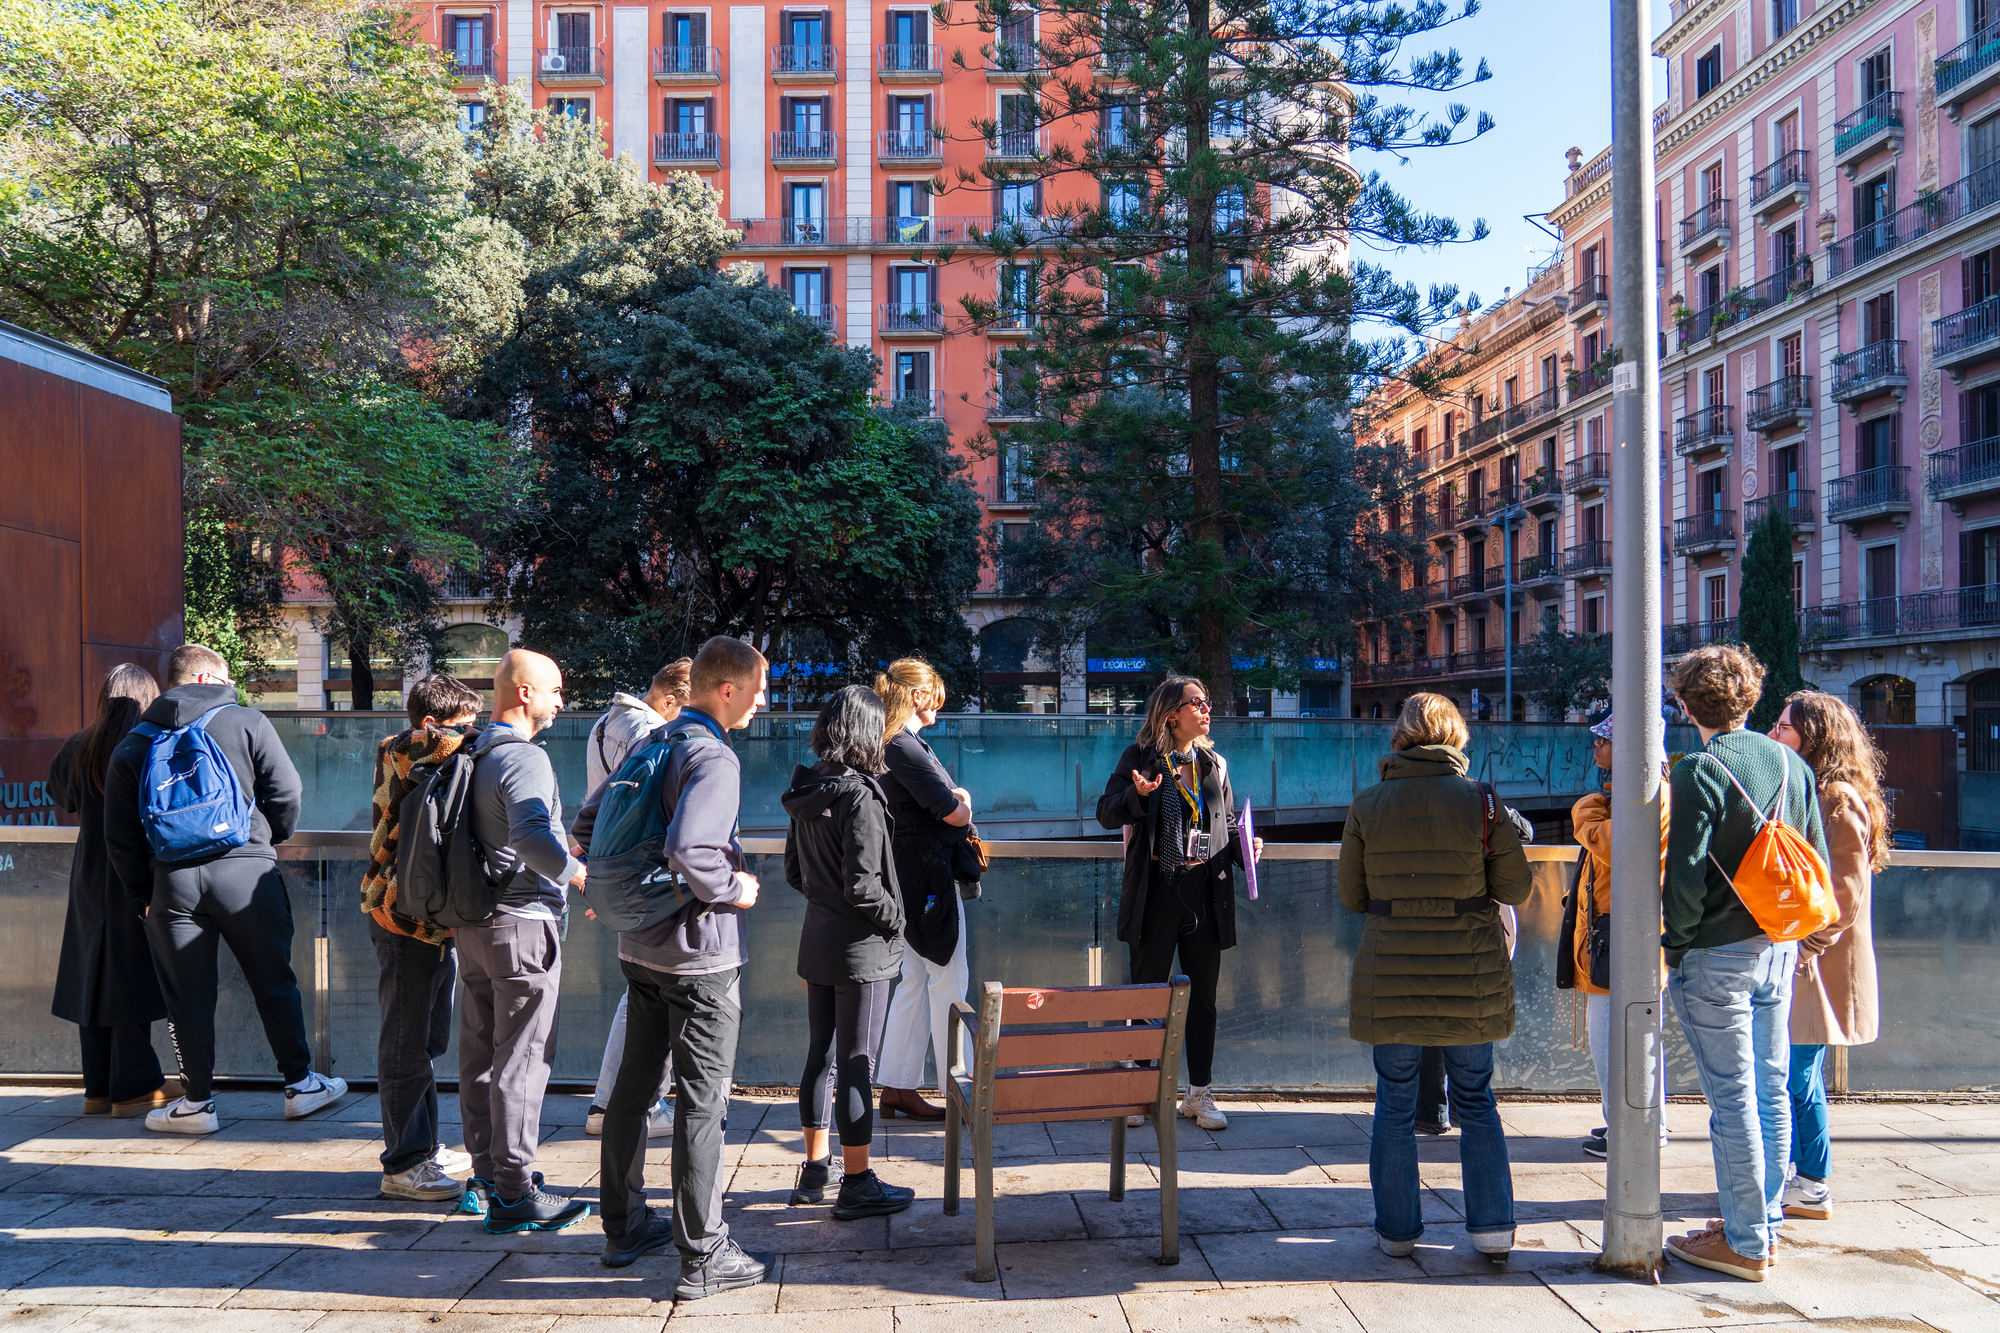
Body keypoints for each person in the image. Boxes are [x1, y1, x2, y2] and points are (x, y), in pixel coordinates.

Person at [576, 635, 771, 1299]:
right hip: (699, 957)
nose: (762, 702)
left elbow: (587, 824)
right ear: (727, 689)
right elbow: (693, 848)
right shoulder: (712, 756)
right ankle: (704, 1253)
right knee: (702, 1101)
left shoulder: (652, 741)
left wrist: (619, 893)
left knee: (632, 1091)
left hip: (640, 950)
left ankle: (624, 1225)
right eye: (758, 691)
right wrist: (735, 887)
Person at [103, 643, 344, 1135]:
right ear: (208, 679)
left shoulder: (134, 742)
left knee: (186, 999)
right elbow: (287, 792)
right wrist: (263, 842)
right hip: (245, 873)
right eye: (228, 679)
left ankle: (197, 1104)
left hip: (172, 883)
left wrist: (143, 894)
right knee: (273, 981)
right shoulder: (247, 722)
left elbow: (120, 835)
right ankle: (300, 1085)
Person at [1337, 692, 1532, 1260]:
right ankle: (1492, 1231)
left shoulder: (1367, 803)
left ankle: (1398, 1233)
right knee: (1475, 1098)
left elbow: (1353, 896)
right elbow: (1516, 889)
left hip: (1392, 971)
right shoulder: (1483, 801)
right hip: (1468, 972)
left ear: (1401, 735)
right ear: (1456, 737)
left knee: (1394, 1103)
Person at [1662, 645, 1829, 1283]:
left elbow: (1684, 878)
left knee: (1731, 1101)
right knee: (1770, 1090)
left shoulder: (1698, 770)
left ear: (1685, 705)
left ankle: (1746, 1243)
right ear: (1752, 698)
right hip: (1778, 948)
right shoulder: (1790, 763)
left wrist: (1675, 947)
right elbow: (1813, 856)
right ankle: (1762, 1224)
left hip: (1715, 956)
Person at [458, 648, 591, 1233]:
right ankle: (515, 1194)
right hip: (522, 924)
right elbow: (532, 836)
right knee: (523, 1059)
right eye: (555, 689)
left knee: (481, 1053)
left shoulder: (471, 752)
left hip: (474, 922)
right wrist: (576, 873)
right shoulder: (524, 757)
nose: (562, 701)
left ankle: (487, 1178)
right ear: (524, 693)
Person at [1098, 674, 1260, 1133]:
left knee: (1203, 999)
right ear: (1171, 715)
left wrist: (1248, 845)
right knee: (1147, 996)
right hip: (1156, 891)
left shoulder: (1213, 763)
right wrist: (1136, 794)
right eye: (1197, 703)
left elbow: (1226, 824)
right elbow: (1106, 812)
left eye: (1206, 702)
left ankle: (1199, 1094)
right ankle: (1140, 1092)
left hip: (1205, 891)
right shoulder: (1140, 758)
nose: (1207, 709)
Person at [782, 686, 915, 1219]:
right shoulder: (859, 795)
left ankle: (816, 1170)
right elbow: (864, 885)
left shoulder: (808, 786)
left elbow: (795, 871)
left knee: (821, 1055)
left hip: (818, 939)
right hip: (862, 949)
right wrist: (897, 922)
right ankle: (858, 1182)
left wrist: (827, 906)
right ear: (866, 733)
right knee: (858, 1061)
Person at [357, 674, 483, 1201]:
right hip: (401, 917)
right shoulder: (404, 750)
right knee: (406, 1042)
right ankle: (404, 1164)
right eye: (465, 725)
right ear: (431, 723)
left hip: (424, 917)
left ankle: (422, 1147)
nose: (474, 733)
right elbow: (432, 744)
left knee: (426, 1040)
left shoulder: (425, 760)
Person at [1768, 690, 1885, 1225]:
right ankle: (1797, 1177)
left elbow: (1845, 892)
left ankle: (1812, 1182)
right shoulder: (1812, 788)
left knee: (1797, 1074)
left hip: (1815, 962)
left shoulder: (1836, 796)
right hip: (1806, 959)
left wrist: (1803, 948)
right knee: (1793, 1072)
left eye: (1784, 728)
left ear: (1814, 737)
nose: (1772, 735)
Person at [47, 664, 179, 1119]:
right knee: (132, 973)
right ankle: (135, 1085)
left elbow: (63, 797)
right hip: (138, 870)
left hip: (89, 874)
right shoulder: (149, 744)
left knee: (94, 971)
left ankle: (98, 1087)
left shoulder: (79, 746)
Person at [579, 657, 693, 1140]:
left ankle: (618, 1101)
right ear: (669, 700)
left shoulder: (605, 723)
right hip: (645, 878)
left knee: (641, 989)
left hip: (615, 871)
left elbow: (598, 808)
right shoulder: (650, 732)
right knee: (647, 993)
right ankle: (618, 1103)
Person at [1567, 713, 1671, 1160]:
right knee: (1630, 1037)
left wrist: (1586, 810)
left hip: (1620, 935)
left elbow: (1614, 844)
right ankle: (1636, 1123)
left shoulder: (1646, 796)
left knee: (1612, 1039)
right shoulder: (1640, 793)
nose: (1596, 747)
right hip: (1618, 929)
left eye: (1603, 741)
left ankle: (1631, 1132)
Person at [874, 658, 973, 1120]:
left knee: (914, 978)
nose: (939, 706)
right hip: (928, 876)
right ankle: (961, 1088)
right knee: (950, 978)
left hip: (908, 878)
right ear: (917, 696)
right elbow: (953, 812)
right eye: (935, 697)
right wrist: (963, 802)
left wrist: (954, 802)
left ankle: (898, 1086)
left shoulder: (891, 743)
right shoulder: (904, 745)